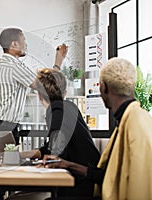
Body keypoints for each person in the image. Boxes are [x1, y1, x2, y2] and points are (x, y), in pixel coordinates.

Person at [43, 57, 152, 200]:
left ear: (103, 87)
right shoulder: (130, 118)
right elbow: (105, 176)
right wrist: (67, 164)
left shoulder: (136, 121)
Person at [14, 68, 100, 199]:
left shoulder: (56, 110)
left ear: (39, 95)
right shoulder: (68, 107)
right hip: (89, 180)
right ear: (64, 92)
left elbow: (55, 153)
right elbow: (50, 149)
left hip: (80, 186)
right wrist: (20, 155)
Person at [0, 27, 68, 146]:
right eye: (23, 41)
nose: (26, 45)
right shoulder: (13, 66)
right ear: (14, 44)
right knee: (8, 163)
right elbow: (47, 86)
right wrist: (58, 62)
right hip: (5, 127)